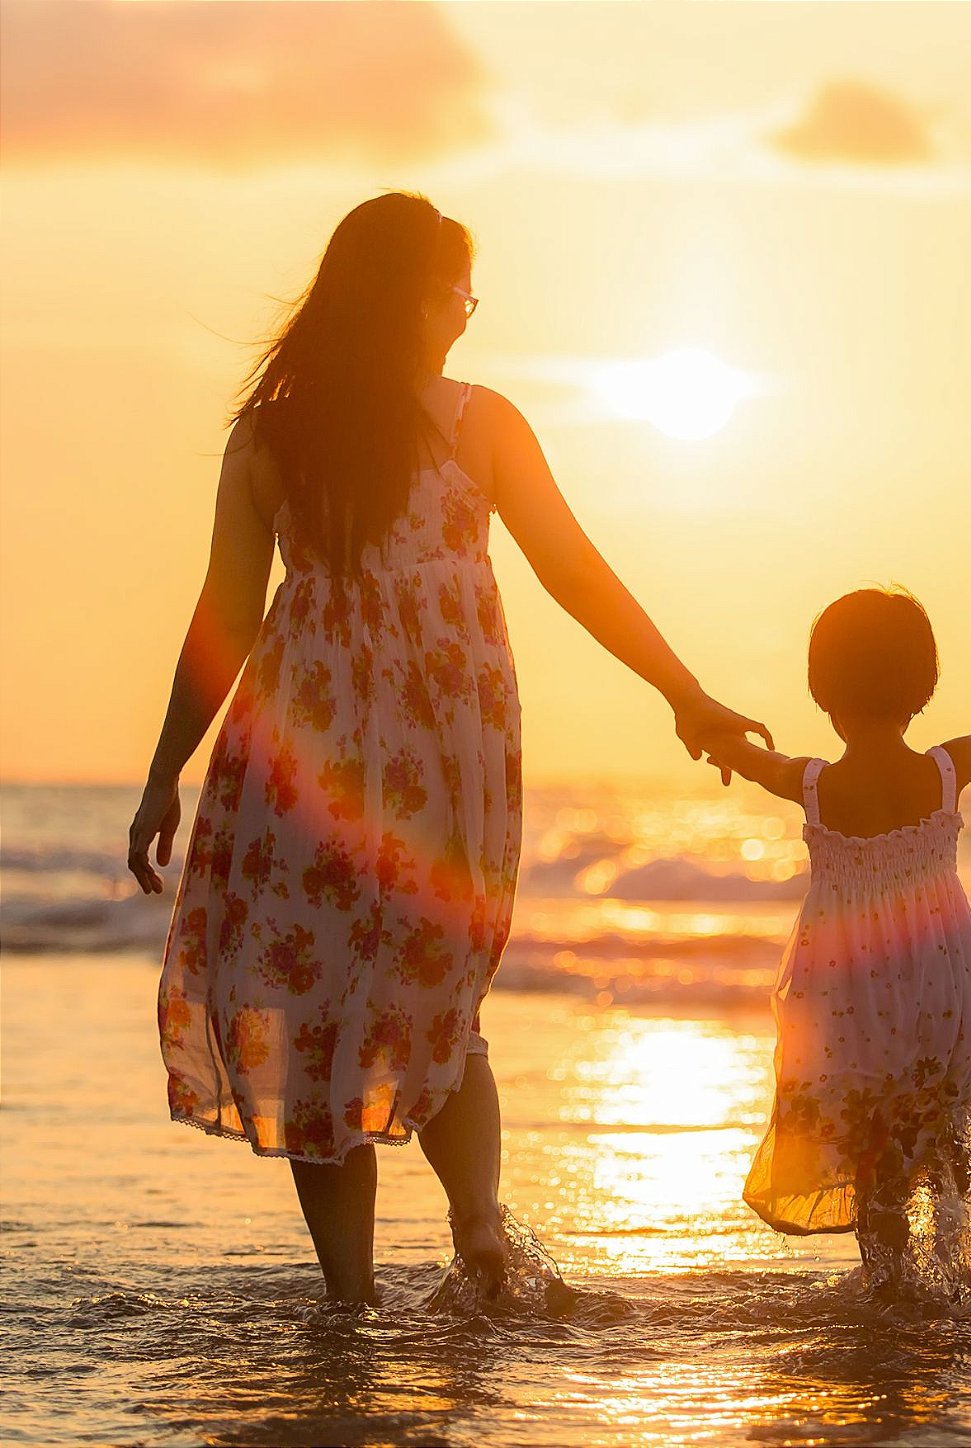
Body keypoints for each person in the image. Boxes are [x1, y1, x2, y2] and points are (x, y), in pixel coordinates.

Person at [126, 191, 769, 1307]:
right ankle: (476, 1232)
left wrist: (164, 771)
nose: (467, 314)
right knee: (434, 994)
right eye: (458, 289)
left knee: (314, 1006)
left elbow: (225, 617)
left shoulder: (272, 431)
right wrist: (683, 692)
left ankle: (350, 1298)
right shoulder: (477, 421)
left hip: (300, 757)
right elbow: (573, 570)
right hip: (445, 753)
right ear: (414, 295)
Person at [701, 587, 971, 1284]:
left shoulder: (813, 784)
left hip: (850, 991)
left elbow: (743, 756)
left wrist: (713, 738)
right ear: (921, 689)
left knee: (874, 1150)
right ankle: (952, 1271)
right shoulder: (943, 771)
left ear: (823, 691)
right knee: (945, 1131)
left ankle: (892, 1284)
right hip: (946, 976)